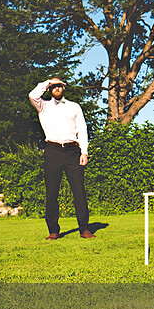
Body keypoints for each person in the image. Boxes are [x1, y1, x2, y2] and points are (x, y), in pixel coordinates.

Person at [29, 77, 95, 239]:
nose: (57, 89)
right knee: (52, 192)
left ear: (64, 88)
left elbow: (82, 129)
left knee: (79, 191)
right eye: (54, 87)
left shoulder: (74, 107)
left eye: (59, 86)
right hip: (52, 150)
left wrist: (84, 151)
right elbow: (32, 95)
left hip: (73, 151)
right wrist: (47, 82)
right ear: (50, 89)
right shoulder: (43, 106)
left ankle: (84, 229)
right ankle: (53, 231)